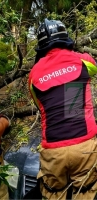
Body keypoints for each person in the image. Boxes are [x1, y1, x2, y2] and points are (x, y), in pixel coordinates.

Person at [28, 18, 97, 199]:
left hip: (53, 149)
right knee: (86, 191)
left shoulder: (34, 75)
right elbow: (93, 68)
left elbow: (40, 104)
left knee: (54, 194)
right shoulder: (82, 61)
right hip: (84, 145)